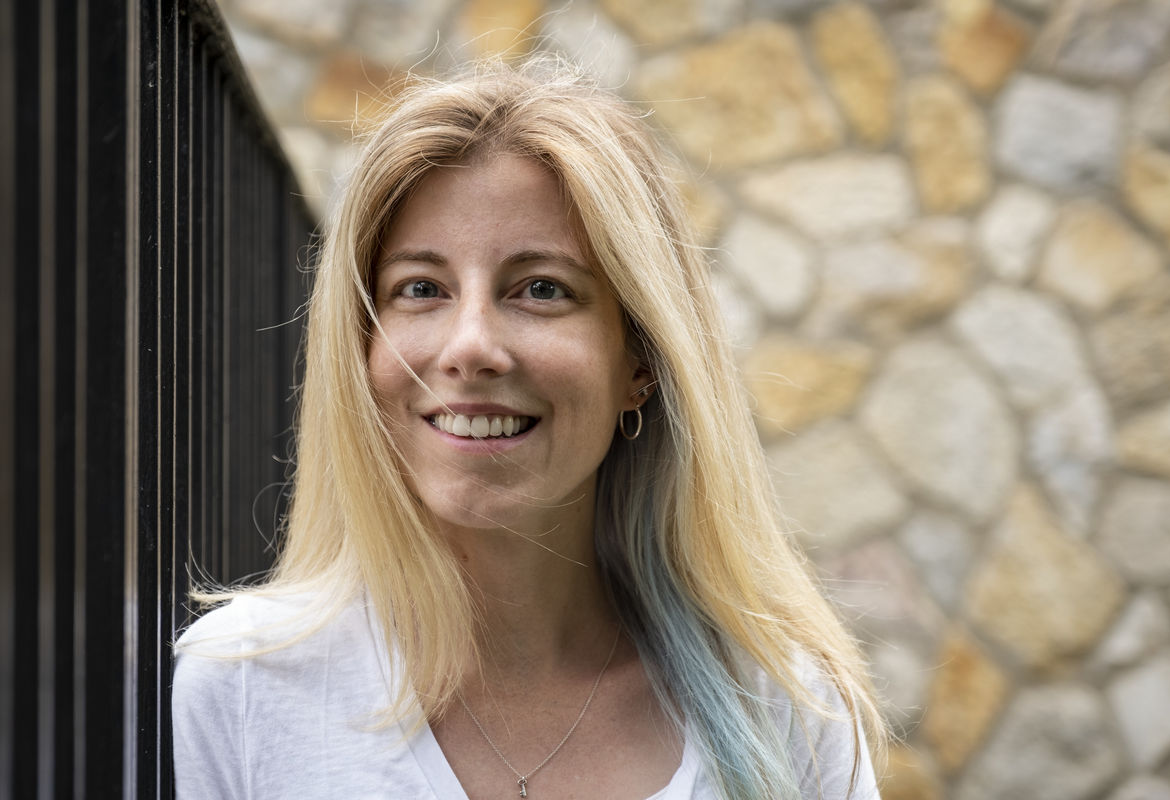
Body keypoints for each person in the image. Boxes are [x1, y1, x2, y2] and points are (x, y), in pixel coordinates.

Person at [172, 56, 884, 800]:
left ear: (638, 358)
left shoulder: (788, 711)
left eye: (541, 288)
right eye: (421, 288)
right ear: (362, 348)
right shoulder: (244, 691)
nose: (470, 345)